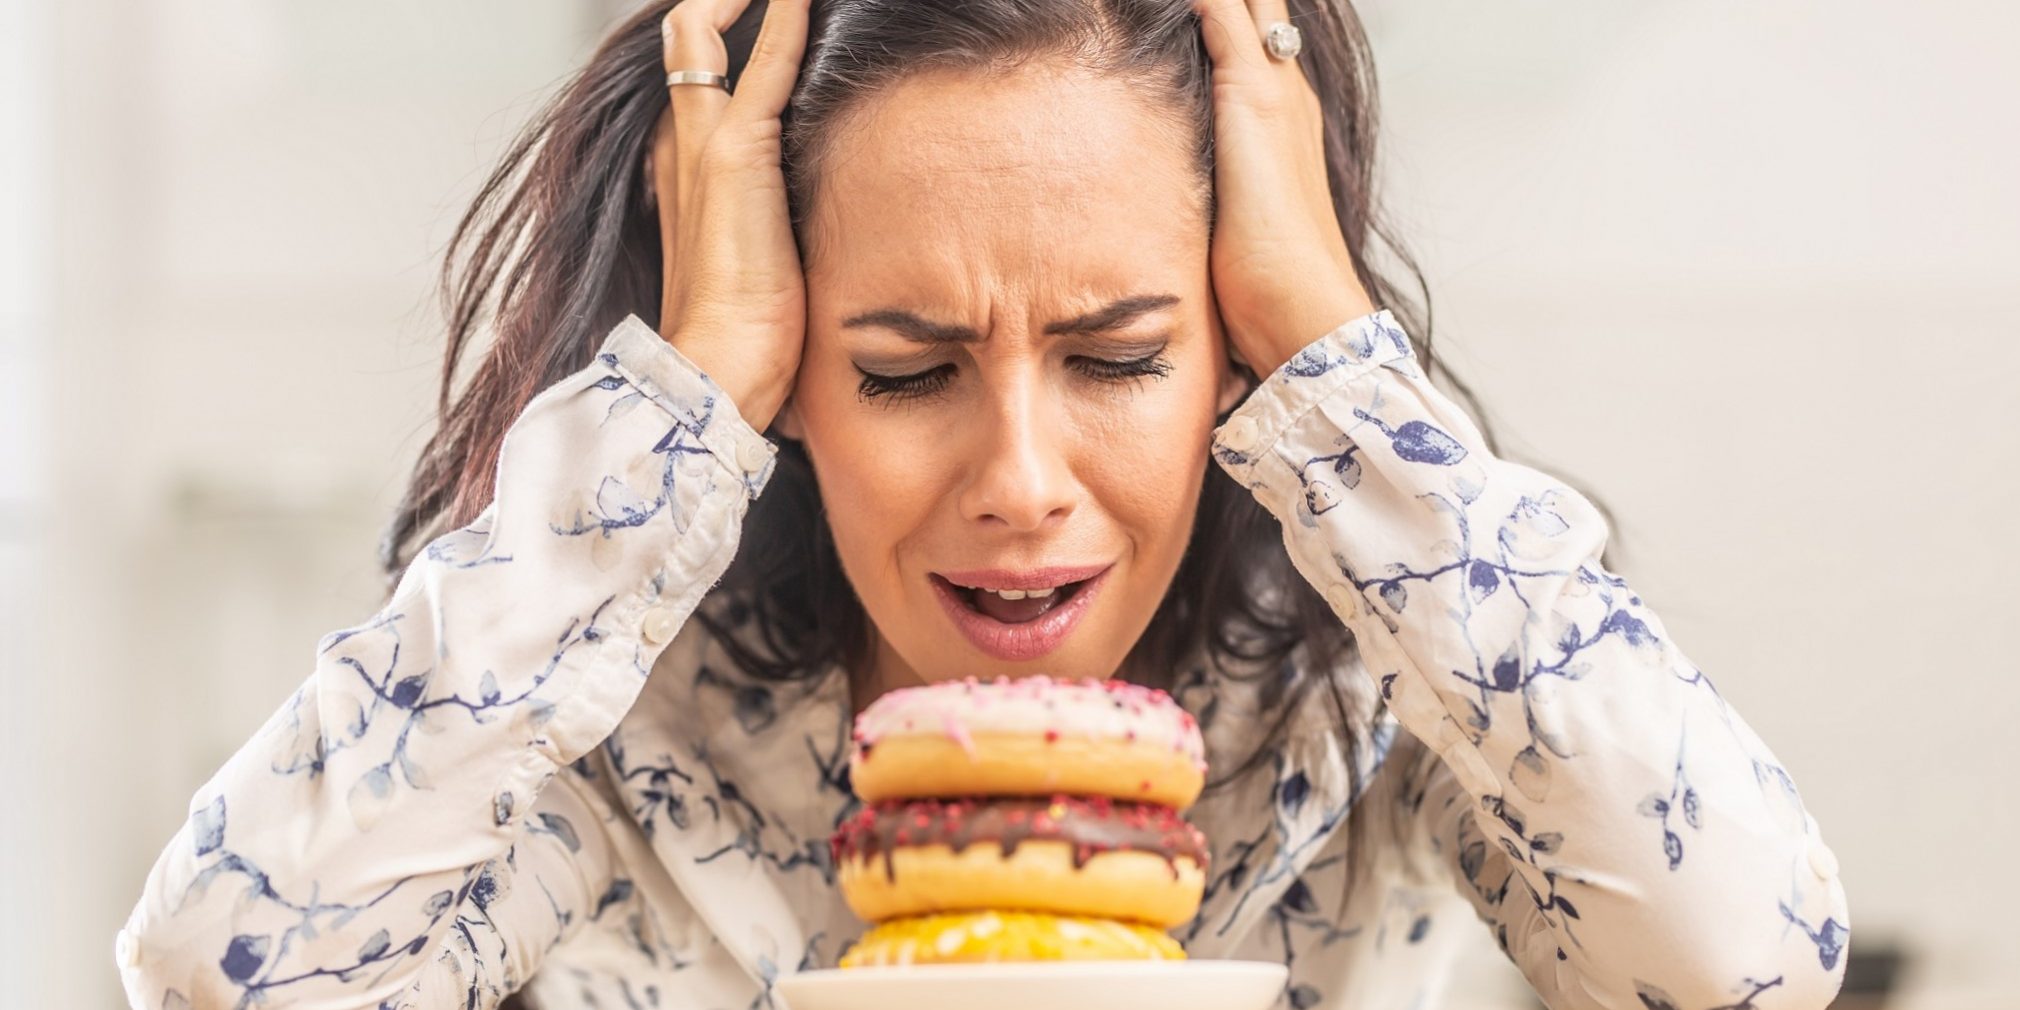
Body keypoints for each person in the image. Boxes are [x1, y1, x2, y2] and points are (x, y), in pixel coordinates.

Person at [114, 1, 1852, 1007]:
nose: (1020, 486)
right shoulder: (624, 737)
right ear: (792, 376)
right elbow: (224, 973)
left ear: (1233, 348)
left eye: (1117, 357)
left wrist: (1341, 360)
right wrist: (687, 380)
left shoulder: (1385, 704)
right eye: (903, 369)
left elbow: (1752, 965)